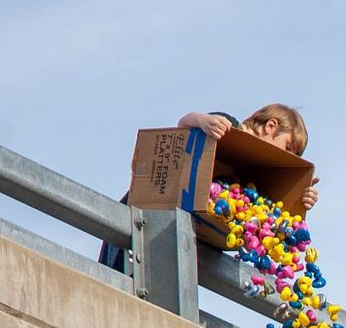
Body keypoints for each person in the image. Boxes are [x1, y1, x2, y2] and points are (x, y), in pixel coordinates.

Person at [98, 104, 319, 272]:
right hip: (139, 216)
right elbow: (184, 123)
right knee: (115, 279)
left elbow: (265, 220)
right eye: (288, 147)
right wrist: (202, 120)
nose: (287, 157)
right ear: (271, 126)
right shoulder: (229, 127)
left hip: (175, 237)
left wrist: (299, 199)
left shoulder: (255, 178)